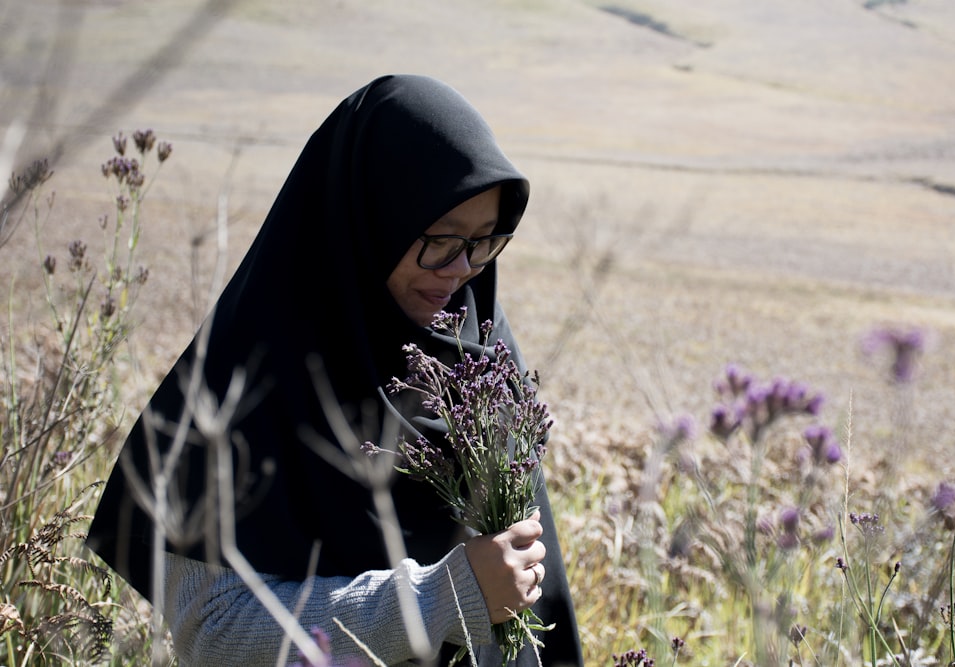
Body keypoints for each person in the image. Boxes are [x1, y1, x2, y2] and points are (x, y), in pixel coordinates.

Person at [87, 74, 584, 666]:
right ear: (368, 220)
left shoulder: (477, 350)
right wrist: (440, 597)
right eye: (440, 241)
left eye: (484, 242)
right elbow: (214, 632)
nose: (460, 271)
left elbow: (533, 592)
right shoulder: (242, 378)